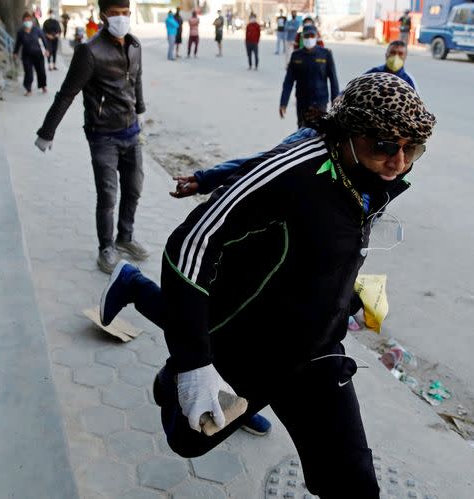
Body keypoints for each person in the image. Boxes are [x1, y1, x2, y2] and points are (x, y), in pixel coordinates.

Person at [102, 72, 436, 498]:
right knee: (187, 439)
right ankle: (172, 377)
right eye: (385, 146)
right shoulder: (296, 172)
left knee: (353, 484)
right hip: (254, 345)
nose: (399, 162)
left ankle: (230, 393)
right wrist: (192, 365)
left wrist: (348, 291)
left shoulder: (373, 176)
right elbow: (193, 242)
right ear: (348, 131)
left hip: (319, 353)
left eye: (413, 149)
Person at [34, 0, 149, 273]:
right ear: (102, 16)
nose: (121, 18)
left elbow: (136, 81)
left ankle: (125, 238)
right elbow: (66, 94)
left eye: (125, 13)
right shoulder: (90, 51)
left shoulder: (134, 45)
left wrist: (141, 110)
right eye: (115, 14)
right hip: (103, 136)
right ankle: (106, 248)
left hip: (132, 132)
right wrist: (47, 131)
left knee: (134, 189)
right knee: (108, 195)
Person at [280, 24, 340, 127]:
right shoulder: (296, 56)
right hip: (302, 101)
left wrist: (335, 102)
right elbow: (288, 81)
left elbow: (333, 79)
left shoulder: (325, 54)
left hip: (320, 102)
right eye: (306, 36)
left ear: (316, 37)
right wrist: (283, 103)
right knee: (302, 130)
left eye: (312, 36)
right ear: (302, 38)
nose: (309, 39)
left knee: (320, 132)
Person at [13, 11, 48, 96]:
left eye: (29, 20)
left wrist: (47, 49)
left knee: (41, 71)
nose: (27, 22)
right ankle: (28, 89)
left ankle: (43, 86)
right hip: (26, 55)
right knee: (28, 72)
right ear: (23, 21)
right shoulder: (20, 32)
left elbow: (43, 39)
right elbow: (18, 44)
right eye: (25, 20)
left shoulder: (37, 30)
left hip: (38, 54)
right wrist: (15, 53)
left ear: (31, 21)